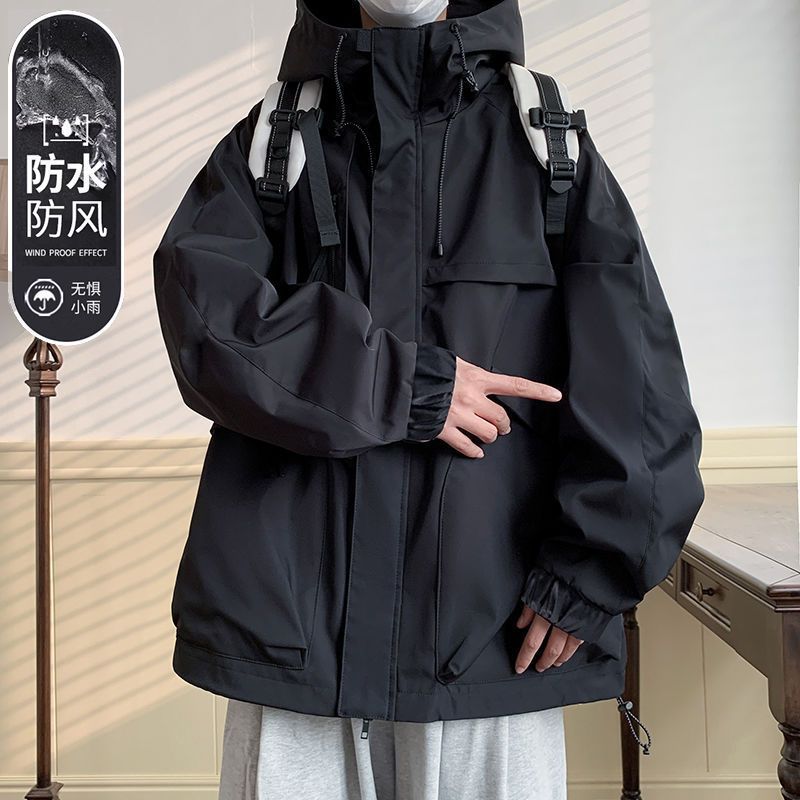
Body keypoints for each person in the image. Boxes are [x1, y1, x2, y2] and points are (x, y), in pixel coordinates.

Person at [151, 0, 705, 797]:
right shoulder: (277, 139)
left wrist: (588, 577)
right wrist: (404, 386)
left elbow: (641, 383)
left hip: (490, 638)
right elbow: (206, 320)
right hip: (295, 647)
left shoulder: (545, 144)